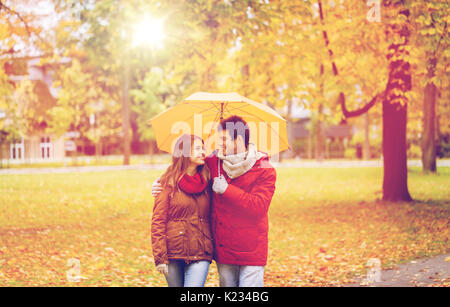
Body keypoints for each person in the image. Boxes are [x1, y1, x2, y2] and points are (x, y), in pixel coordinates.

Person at [153, 115, 277, 287]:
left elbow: (259, 206)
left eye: (224, 139)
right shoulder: (214, 163)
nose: (220, 144)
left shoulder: (265, 170)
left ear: (239, 140)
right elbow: (183, 165)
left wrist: (227, 190)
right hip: (224, 248)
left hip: (251, 247)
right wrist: (161, 182)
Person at [151, 134, 213, 287]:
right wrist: (160, 257)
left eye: (203, 148)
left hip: (201, 250)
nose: (203, 152)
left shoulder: (208, 179)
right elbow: (158, 221)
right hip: (174, 252)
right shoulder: (167, 181)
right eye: (198, 148)